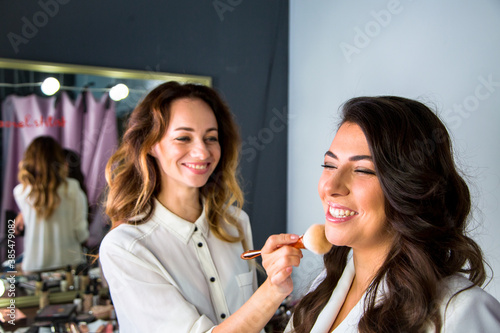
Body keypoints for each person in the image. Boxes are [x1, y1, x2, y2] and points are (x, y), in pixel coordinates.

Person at [99, 81, 301, 333]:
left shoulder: (236, 222)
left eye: (211, 138)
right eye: (183, 137)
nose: (202, 151)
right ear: (151, 144)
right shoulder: (126, 247)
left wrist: (277, 277)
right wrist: (273, 288)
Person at [285, 96, 500, 333]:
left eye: (362, 170)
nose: (331, 187)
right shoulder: (322, 290)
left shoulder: (461, 312)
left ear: (409, 188)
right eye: (329, 165)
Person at [14, 136, 89, 273]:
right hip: (68, 266)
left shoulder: (20, 192)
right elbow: (81, 233)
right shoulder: (72, 189)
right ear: (59, 159)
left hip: (33, 266)